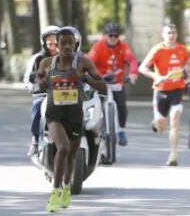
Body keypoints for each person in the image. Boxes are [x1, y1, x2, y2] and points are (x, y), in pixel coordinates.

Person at [37, 27, 106, 212]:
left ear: (75, 44)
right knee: (63, 148)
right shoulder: (47, 63)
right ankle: (55, 193)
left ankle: (67, 187)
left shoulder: (83, 62)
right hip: (55, 114)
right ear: (57, 46)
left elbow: (103, 86)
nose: (67, 46)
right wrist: (41, 81)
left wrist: (86, 79)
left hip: (75, 115)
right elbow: (39, 79)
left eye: (70, 43)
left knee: (71, 157)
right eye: (63, 43)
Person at [139, 24, 190, 166]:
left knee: (174, 121)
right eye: (168, 33)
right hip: (161, 91)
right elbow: (142, 68)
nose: (171, 35)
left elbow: (188, 63)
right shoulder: (158, 50)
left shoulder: (182, 50)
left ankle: (173, 154)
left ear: (177, 34)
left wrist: (188, 70)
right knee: (162, 127)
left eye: (174, 32)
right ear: (163, 35)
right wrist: (156, 76)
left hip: (177, 90)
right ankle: (157, 123)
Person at [87, 23, 138, 146]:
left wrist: (133, 73)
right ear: (105, 36)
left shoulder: (123, 47)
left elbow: (132, 60)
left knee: (122, 105)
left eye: (116, 35)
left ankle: (121, 130)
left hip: (117, 81)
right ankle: (96, 129)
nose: (114, 38)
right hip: (100, 81)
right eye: (111, 35)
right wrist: (87, 76)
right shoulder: (98, 47)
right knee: (96, 105)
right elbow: (88, 62)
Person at [24, 25, 60, 156]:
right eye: (49, 44)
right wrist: (34, 88)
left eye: (56, 43)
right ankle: (35, 139)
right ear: (44, 44)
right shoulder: (37, 59)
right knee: (37, 105)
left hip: (67, 95)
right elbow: (28, 79)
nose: (53, 47)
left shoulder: (71, 58)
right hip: (44, 95)